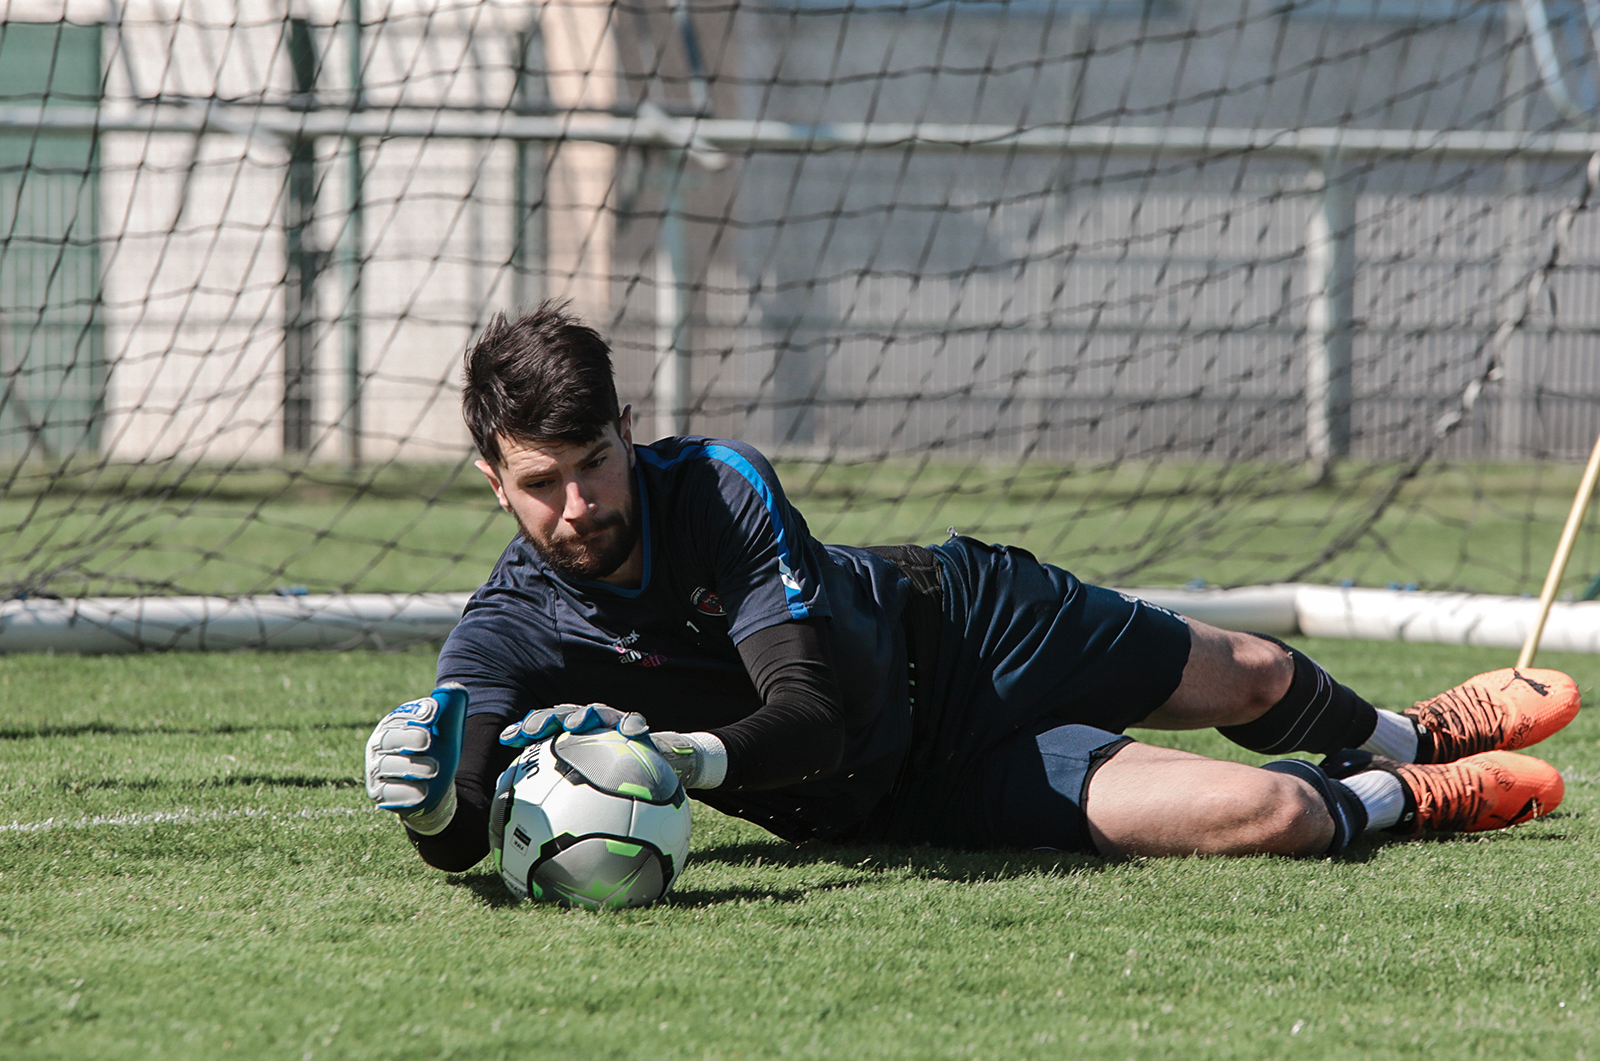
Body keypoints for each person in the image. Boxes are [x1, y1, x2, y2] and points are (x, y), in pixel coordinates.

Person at [365, 302, 1580, 871]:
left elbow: (808, 713)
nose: (579, 504)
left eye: (595, 463)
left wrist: (676, 757)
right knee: (1273, 817)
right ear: (494, 482)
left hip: (965, 629)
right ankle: (1406, 796)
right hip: (915, 793)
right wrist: (426, 803)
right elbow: (465, 825)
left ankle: (1410, 734)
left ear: (629, 432)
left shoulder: (718, 488)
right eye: (542, 483)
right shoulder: (506, 629)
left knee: (1254, 672)